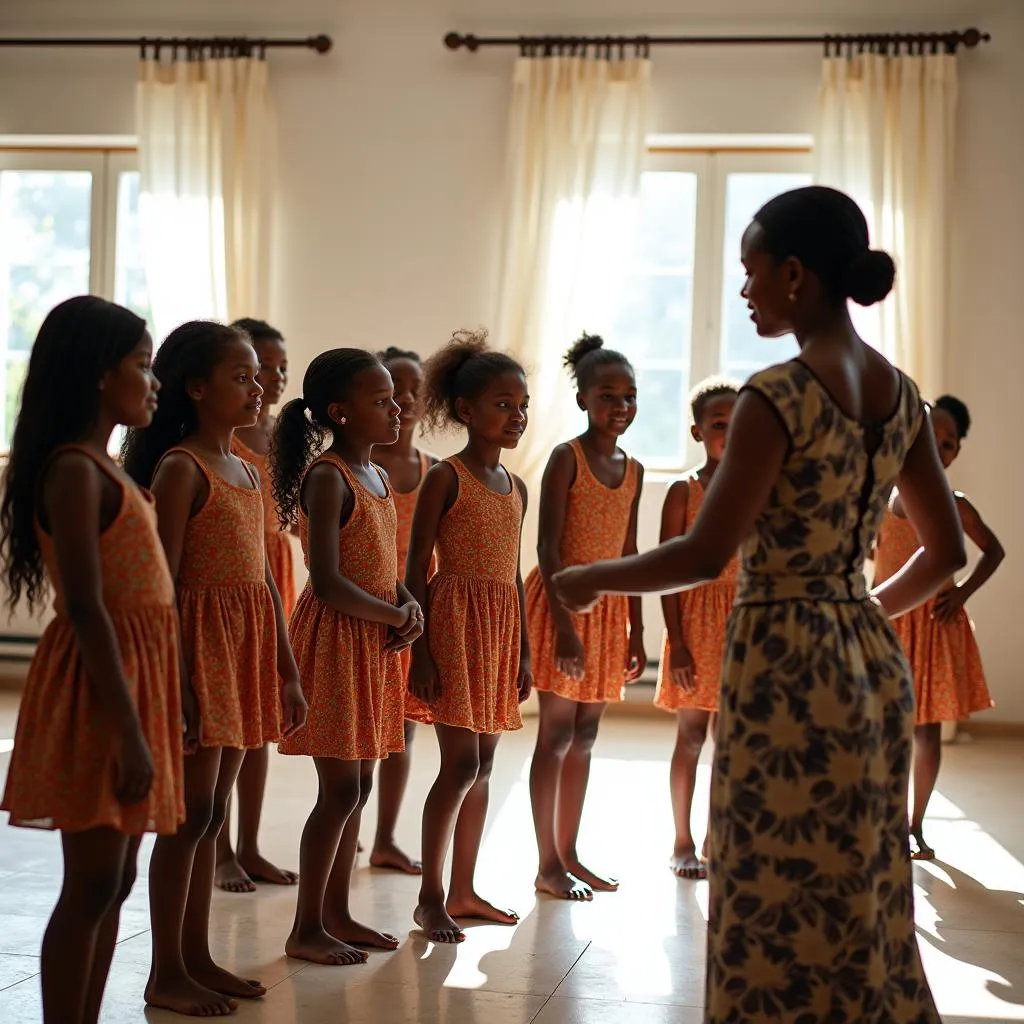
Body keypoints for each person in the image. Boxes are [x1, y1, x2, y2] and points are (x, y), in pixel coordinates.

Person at [552, 185, 966, 1023]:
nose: (742, 291)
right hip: (866, 655)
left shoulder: (775, 396)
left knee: (771, 874)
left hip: (782, 658)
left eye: (750, 272)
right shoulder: (903, 393)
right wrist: (862, 611)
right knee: (860, 868)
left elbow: (705, 554)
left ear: (796, 274)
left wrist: (592, 577)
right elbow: (946, 551)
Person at [0, 297, 186, 1024]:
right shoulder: (74, 470)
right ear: (100, 376)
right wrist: (131, 730)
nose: (154, 381)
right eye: (143, 366)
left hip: (136, 682)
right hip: (100, 692)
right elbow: (86, 608)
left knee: (116, 879)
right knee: (92, 882)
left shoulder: (103, 468)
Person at [122, 320, 306, 1016]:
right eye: (241, 376)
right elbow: (161, 585)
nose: (258, 387)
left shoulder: (245, 467)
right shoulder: (180, 467)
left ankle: (197, 956)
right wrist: (177, 684)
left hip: (245, 646)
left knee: (210, 812)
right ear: (195, 388)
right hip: (199, 653)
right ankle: (166, 969)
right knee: (189, 816)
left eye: (260, 376)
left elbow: (261, 572)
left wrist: (285, 665)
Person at [272, 349, 422, 966]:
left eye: (397, 397)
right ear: (340, 411)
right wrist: (393, 615)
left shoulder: (378, 475)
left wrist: (404, 599)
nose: (398, 407)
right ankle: (306, 926)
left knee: (358, 785)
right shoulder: (329, 475)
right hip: (337, 641)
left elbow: (384, 563)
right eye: (382, 399)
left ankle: (336, 913)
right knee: (338, 789)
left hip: (373, 641)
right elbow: (328, 580)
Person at [405, 330, 532, 944]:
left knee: (484, 762)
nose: (517, 415)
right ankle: (430, 897)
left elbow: (510, 572)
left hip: (498, 629)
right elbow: (414, 570)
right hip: (453, 625)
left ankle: (463, 887)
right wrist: (421, 650)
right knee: (458, 764)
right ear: (466, 411)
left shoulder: (518, 487)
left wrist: (525, 648)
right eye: (503, 404)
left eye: (522, 404)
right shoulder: (445, 478)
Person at [524, 333, 644, 901]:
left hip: (610, 611)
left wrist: (636, 630)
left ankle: (570, 852)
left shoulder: (635, 468)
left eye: (629, 396)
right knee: (554, 734)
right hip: (563, 604)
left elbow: (630, 555)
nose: (619, 407)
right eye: (607, 395)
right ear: (583, 401)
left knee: (587, 734)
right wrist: (566, 626)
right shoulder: (565, 458)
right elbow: (547, 548)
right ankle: (547, 862)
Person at [874, 394, 999, 860]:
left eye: (948, 443)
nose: (938, 447)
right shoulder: (882, 495)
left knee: (925, 732)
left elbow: (993, 550)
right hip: (887, 626)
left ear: (955, 452)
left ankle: (914, 826)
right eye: (931, 437)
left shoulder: (955, 504)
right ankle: (882, 820)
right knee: (885, 729)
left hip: (932, 627)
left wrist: (962, 593)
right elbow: (876, 548)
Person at [215, 317, 300, 893]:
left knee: (262, 717)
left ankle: (250, 844)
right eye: (261, 367)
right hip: (231, 576)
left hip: (274, 574)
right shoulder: (226, 441)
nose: (273, 377)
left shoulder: (281, 438)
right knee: (229, 720)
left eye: (279, 368)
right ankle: (219, 851)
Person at [655, 378, 739, 880]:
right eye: (718, 424)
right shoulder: (683, 491)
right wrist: (679, 643)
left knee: (729, 740)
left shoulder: (758, 488)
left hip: (741, 624)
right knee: (690, 735)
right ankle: (682, 839)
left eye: (738, 424)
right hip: (695, 624)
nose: (729, 433)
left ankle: (717, 836)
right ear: (697, 431)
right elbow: (668, 570)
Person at [366, 346, 436, 875]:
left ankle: (386, 837)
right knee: (363, 726)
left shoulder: (432, 471)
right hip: (369, 608)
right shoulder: (362, 466)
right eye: (395, 389)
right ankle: (347, 829)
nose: (407, 400)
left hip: (417, 613)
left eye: (415, 389)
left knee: (404, 728)